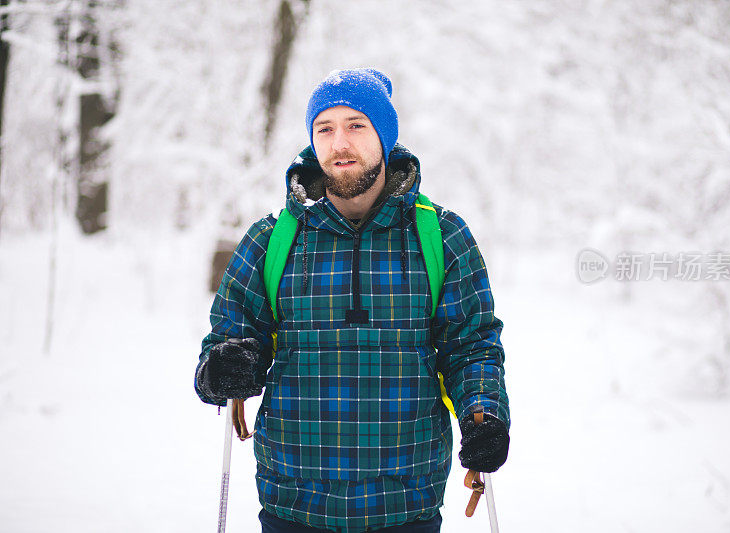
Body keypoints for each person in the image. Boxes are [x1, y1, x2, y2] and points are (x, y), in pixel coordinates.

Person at [195, 68, 510, 533]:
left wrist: (485, 416)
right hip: (294, 503)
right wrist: (220, 368)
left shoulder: (441, 236)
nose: (339, 142)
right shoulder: (272, 240)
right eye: (325, 129)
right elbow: (228, 340)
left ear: (384, 137)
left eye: (356, 126)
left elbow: (472, 346)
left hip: (405, 503)